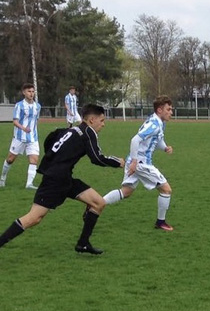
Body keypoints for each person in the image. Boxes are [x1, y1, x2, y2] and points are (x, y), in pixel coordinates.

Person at [0, 104, 124, 254]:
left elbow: (51, 139)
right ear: (92, 120)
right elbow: (97, 158)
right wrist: (117, 162)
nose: (103, 124)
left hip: (63, 177)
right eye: (102, 120)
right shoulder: (88, 132)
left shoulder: (71, 129)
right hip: (55, 181)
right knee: (34, 218)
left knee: (98, 203)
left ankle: (83, 244)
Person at [103, 95, 175, 231]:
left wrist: (165, 147)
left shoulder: (159, 122)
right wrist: (135, 162)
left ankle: (96, 203)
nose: (171, 112)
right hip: (141, 163)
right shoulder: (154, 124)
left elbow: (157, 140)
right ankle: (160, 222)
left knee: (126, 192)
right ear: (160, 110)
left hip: (135, 161)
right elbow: (134, 140)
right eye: (169, 109)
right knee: (166, 190)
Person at [0, 83, 41, 189]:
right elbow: (15, 121)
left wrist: (32, 131)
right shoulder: (19, 105)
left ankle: (29, 184)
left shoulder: (38, 106)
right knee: (10, 159)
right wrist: (23, 128)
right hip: (19, 137)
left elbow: (36, 121)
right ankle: (3, 177)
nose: (31, 93)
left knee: (34, 160)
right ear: (24, 93)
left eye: (33, 91)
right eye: (29, 91)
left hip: (33, 138)